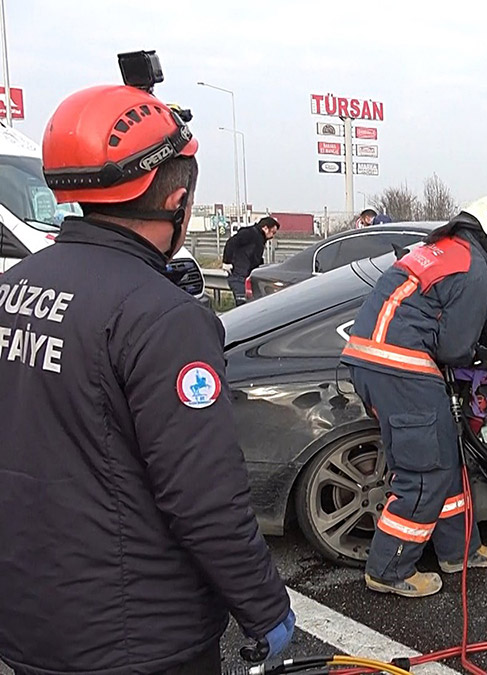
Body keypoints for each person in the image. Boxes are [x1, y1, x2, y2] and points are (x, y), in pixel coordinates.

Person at [0, 83, 293, 674]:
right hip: (138, 636)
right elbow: (204, 498)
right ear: (178, 201)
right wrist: (265, 609)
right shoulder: (163, 319)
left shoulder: (14, 286)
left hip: (31, 618)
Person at [340, 195, 487, 598]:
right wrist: (486, 356)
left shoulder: (447, 253)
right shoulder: (471, 268)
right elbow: (454, 348)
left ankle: (459, 552)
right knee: (424, 470)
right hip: (400, 368)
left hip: (384, 363)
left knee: (446, 459)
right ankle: (389, 569)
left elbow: (484, 311)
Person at [221, 215, 278, 305]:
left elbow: (254, 257)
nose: (272, 236)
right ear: (265, 228)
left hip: (246, 275)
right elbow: (231, 243)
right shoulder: (250, 233)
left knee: (249, 305)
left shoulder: (259, 238)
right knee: (243, 305)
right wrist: (227, 262)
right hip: (239, 275)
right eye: (272, 232)